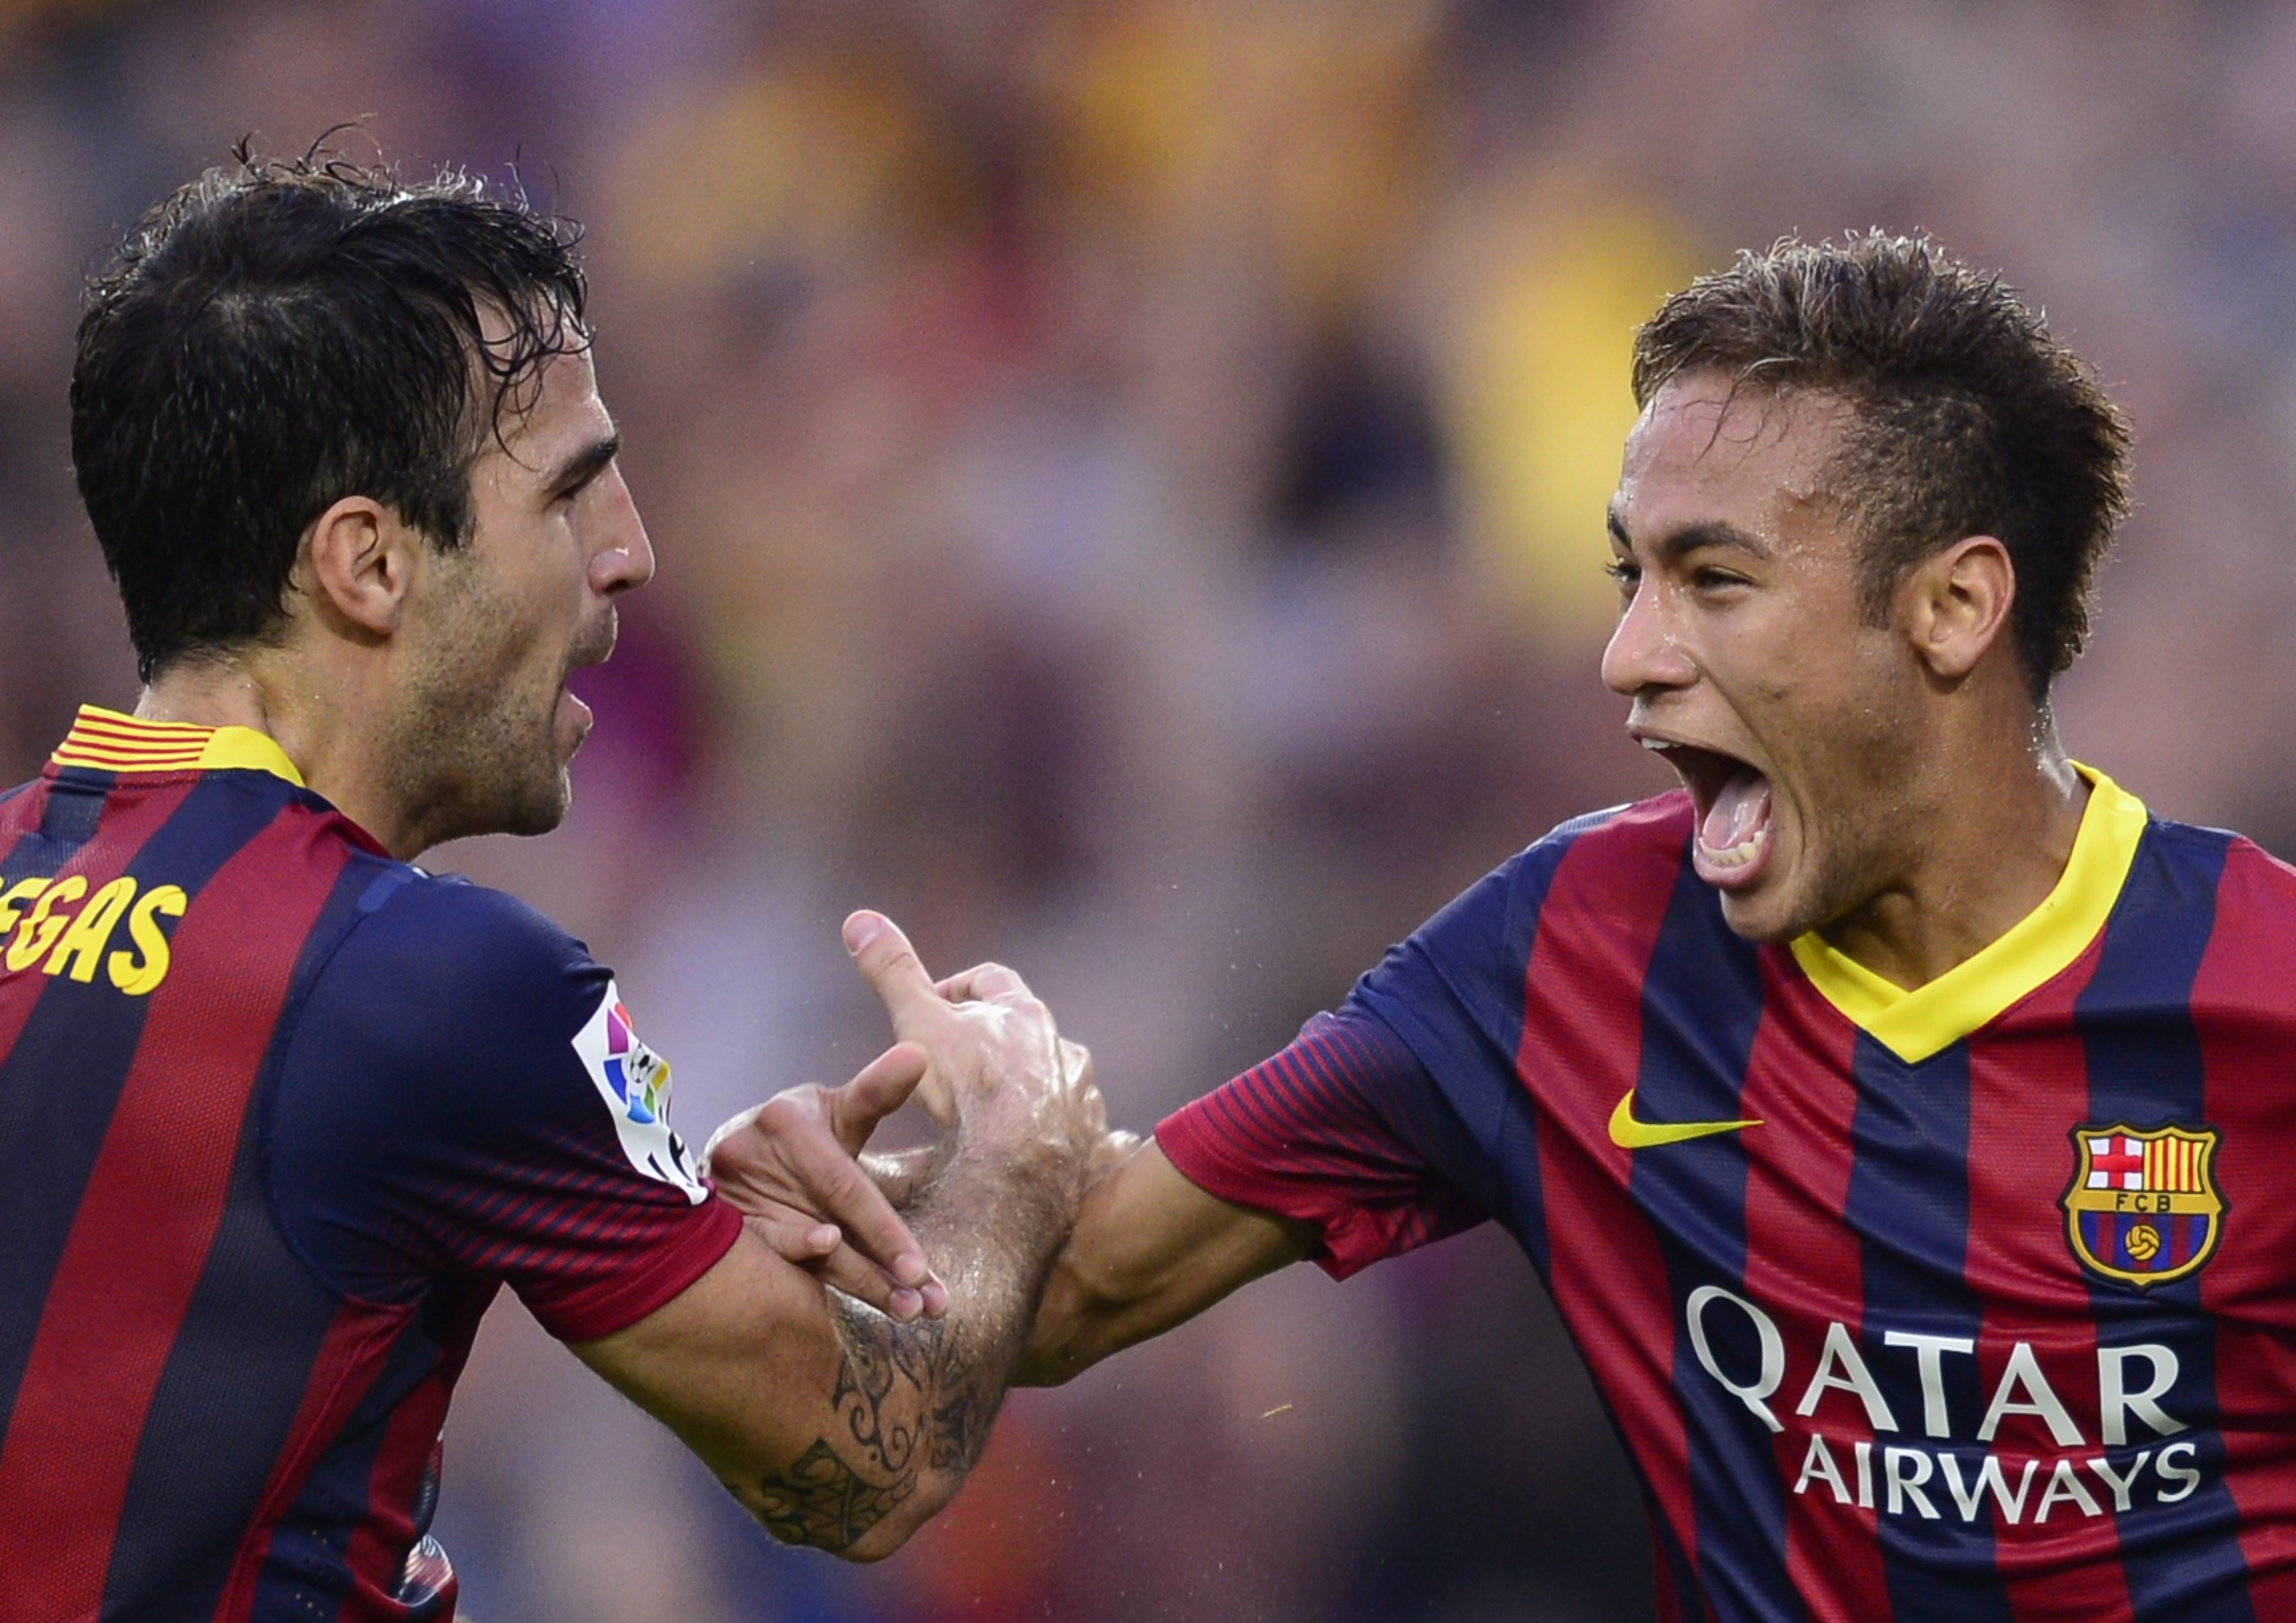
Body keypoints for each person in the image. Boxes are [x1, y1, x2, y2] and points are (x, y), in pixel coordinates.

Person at [720, 232, 2296, 1619]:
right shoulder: (1572, 949)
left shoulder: (2264, 991)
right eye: (1631, 577)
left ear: (1953, 609)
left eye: (1714, 580)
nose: (1628, 655)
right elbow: (1076, 1288)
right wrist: (925, 1191)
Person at [0, 147, 1107, 1622]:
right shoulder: (430, 985)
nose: (632, 554)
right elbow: (872, 1459)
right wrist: (1013, 1166)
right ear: (368, 564)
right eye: (571, 494)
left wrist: (656, 1194)